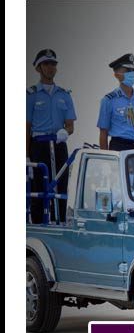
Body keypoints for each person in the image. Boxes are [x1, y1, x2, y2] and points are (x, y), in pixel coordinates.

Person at [27, 49, 76, 224]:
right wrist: (26, 155)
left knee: (61, 184)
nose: (50, 67)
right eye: (46, 64)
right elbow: (26, 127)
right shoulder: (30, 95)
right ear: (38, 68)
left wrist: (66, 131)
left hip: (59, 143)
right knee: (39, 185)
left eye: (53, 64)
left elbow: (70, 125)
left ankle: (60, 222)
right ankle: (39, 224)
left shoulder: (64, 95)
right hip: (39, 144)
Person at [96, 53, 134, 197]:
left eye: (133, 71)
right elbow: (103, 132)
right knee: (121, 187)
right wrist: (106, 160)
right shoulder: (109, 100)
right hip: (119, 146)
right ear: (117, 74)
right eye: (127, 71)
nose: (131, 74)